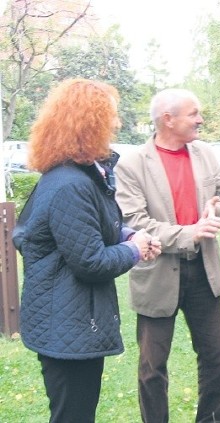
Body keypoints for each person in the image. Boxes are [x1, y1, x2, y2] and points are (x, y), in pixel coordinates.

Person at [17, 78, 161, 422]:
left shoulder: (78, 177)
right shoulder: (70, 183)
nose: (117, 123)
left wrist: (127, 234)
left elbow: (86, 228)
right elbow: (90, 261)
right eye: (110, 115)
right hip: (65, 324)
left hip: (68, 320)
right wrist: (136, 249)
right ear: (89, 123)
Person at [114, 88, 220, 423]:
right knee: (152, 368)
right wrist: (189, 233)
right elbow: (134, 221)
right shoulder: (133, 164)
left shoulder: (205, 154)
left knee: (216, 361)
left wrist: (216, 213)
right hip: (156, 274)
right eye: (194, 113)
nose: (201, 119)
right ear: (168, 119)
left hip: (203, 271)